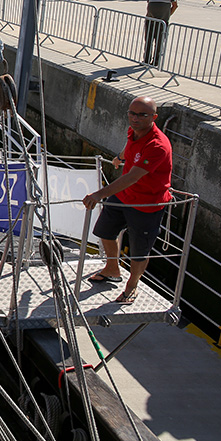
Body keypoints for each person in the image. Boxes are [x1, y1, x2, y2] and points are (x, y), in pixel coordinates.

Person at [83, 97, 172, 305]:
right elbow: (129, 144)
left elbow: (132, 177)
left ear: (154, 117)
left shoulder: (157, 145)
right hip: (124, 195)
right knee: (104, 231)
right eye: (132, 113)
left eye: (142, 115)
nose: (135, 118)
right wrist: (121, 157)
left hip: (146, 203)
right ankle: (112, 268)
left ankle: (132, 286)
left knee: (139, 250)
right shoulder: (134, 130)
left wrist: (99, 194)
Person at [142, 0, 178, 66]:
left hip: (162, 21)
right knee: (148, 40)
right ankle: (146, 60)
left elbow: (175, 5)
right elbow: (149, 3)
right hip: (150, 20)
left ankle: (156, 61)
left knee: (159, 42)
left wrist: (166, 15)